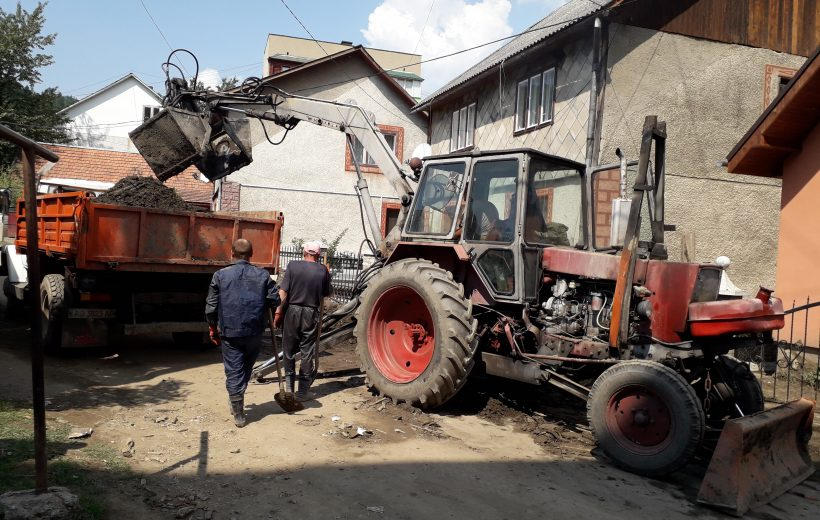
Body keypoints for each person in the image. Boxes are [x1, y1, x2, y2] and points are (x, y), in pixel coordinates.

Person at [205, 238, 279, 427]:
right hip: (254, 330)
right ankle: (237, 398)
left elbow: (211, 306)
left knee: (234, 370)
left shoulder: (220, 275)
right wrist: (268, 304)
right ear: (251, 254)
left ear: (232, 253)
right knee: (246, 367)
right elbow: (274, 299)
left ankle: (238, 410)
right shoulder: (262, 275)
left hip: (230, 331)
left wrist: (212, 326)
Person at [274, 240, 331, 401]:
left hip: (292, 311)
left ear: (304, 252)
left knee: (288, 350)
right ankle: (303, 392)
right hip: (311, 313)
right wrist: (327, 274)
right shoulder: (322, 270)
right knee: (307, 352)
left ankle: (290, 388)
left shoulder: (292, 266)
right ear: (318, 255)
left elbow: (283, 291)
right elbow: (326, 293)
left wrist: (278, 311)